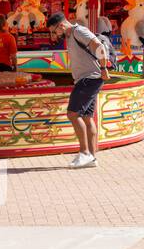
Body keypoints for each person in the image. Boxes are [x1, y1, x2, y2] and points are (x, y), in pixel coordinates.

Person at [46, 11, 109, 169]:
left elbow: (99, 46)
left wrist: (103, 67)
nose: (54, 35)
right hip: (87, 78)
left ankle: (85, 153)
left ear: (61, 25)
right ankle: (92, 157)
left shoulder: (78, 31)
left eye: (54, 31)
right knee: (87, 118)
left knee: (73, 114)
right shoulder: (69, 35)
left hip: (90, 78)